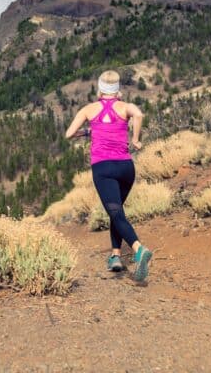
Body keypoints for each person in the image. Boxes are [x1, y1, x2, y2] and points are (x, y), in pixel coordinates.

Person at [64, 70, 153, 282]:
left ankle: (139, 249)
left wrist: (87, 132)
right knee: (117, 212)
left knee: (116, 213)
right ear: (117, 89)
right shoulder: (125, 107)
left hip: (103, 168)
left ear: (100, 88)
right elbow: (139, 114)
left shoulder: (88, 109)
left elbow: (69, 134)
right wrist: (136, 139)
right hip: (125, 168)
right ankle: (115, 255)